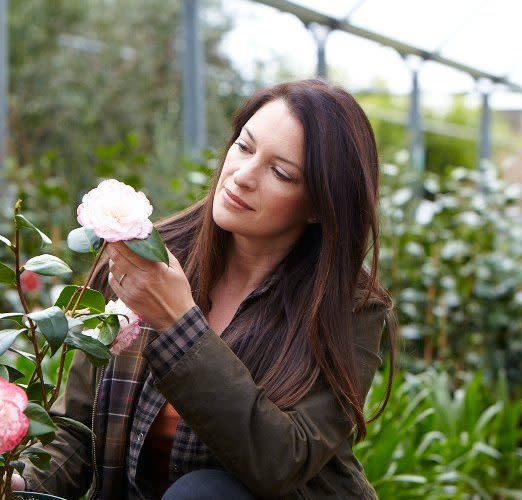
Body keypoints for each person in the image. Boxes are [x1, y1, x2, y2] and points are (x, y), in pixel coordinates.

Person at [23, 79, 398, 499]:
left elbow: (280, 461)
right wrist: (14, 484)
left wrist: (180, 324)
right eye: (244, 146)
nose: (243, 175)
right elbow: (77, 431)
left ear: (318, 205)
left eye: (280, 172)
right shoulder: (146, 258)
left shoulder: (346, 310)